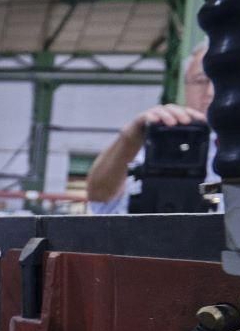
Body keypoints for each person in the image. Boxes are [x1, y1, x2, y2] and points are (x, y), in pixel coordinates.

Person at [84, 42, 216, 214]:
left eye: (223, 79)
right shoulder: (157, 144)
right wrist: (129, 138)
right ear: (185, 87)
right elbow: (101, 197)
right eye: (200, 81)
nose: (210, 92)